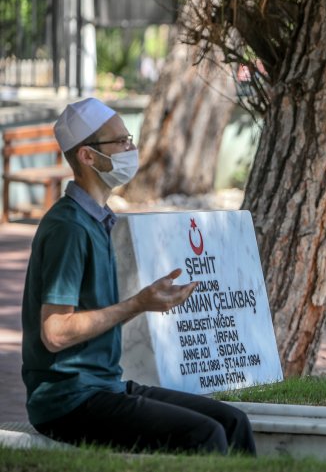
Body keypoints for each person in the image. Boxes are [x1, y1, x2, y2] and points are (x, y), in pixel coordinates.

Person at [21, 98, 257, 454]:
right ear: (87, 156)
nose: (131, 149)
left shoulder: (96, 220)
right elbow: (55, 332)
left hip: (104, 386)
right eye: (120, 142)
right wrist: (138, 303)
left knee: (233, 422)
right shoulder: (68, 227)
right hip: (68, 400)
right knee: (204, 436)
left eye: (128, 139)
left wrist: (145, 302)